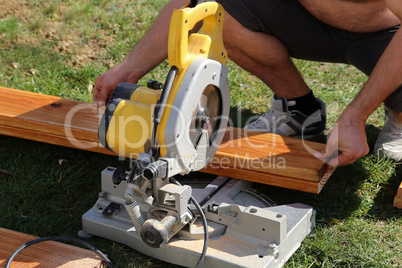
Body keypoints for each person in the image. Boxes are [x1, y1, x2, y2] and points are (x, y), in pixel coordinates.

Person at [94, 0, 402, 168]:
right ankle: (298, 110)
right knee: (218, 7)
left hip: (388, 35)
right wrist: (130, 68)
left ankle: (399, 117)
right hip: (314, 19)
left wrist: (355, 114)